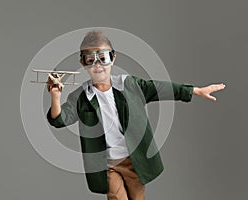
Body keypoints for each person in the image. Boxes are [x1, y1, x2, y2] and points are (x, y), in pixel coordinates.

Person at [47, 31, 225, 200]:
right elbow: (60, 119)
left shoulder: (130, 85)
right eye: (90, 60)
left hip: (134, 160)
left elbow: (160, 88)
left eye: (103, 58)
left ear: (113, 59)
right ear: (83, 64)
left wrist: (195, 91)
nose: (97, 65)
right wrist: (55, 96)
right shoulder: (81, 96)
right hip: (107, 165)